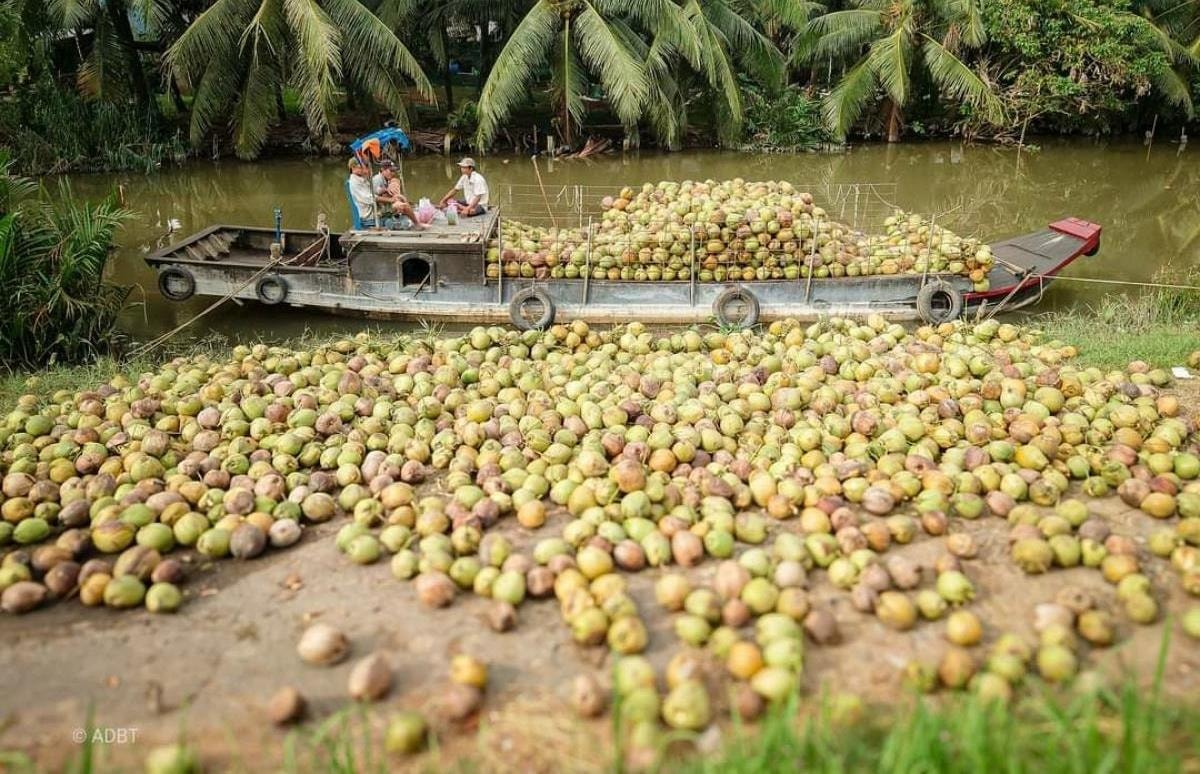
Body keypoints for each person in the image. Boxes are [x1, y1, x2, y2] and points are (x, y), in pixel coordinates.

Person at [371, 160, 424, 229]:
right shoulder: (377, 179)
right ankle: (417, 224)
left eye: (394, 171)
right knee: (404, 206)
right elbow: (375, 197)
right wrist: (392, 198)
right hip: (381, 210)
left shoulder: (387, 179)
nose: (393, 173)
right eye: (391, 171)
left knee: (405, 203)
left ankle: (415, 221)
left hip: (387, 204)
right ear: (382, 170)